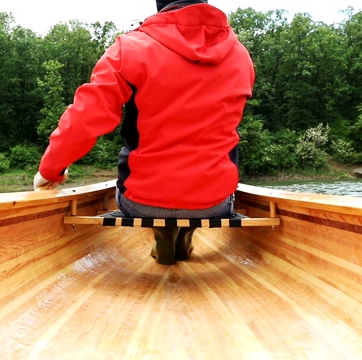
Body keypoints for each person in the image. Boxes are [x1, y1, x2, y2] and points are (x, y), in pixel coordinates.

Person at [34, 0, 255, 264]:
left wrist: (49, 171)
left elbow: (84, 118)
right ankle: (187, 229)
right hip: (214, 203)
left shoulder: (129, 48)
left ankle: (163, 228)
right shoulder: (240, 56)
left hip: (141, 201)